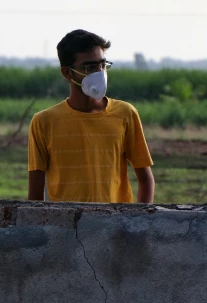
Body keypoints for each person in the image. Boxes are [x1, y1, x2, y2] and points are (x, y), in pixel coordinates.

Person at [27, 29, 155, 203]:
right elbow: (35, 195)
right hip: (65, 226)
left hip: (115, 225)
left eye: (102, 65)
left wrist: (139, 222)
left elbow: (145, 179)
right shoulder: (44, 121)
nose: (99, 73)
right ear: (67, 73)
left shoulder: (125, 114)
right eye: (89, 67)